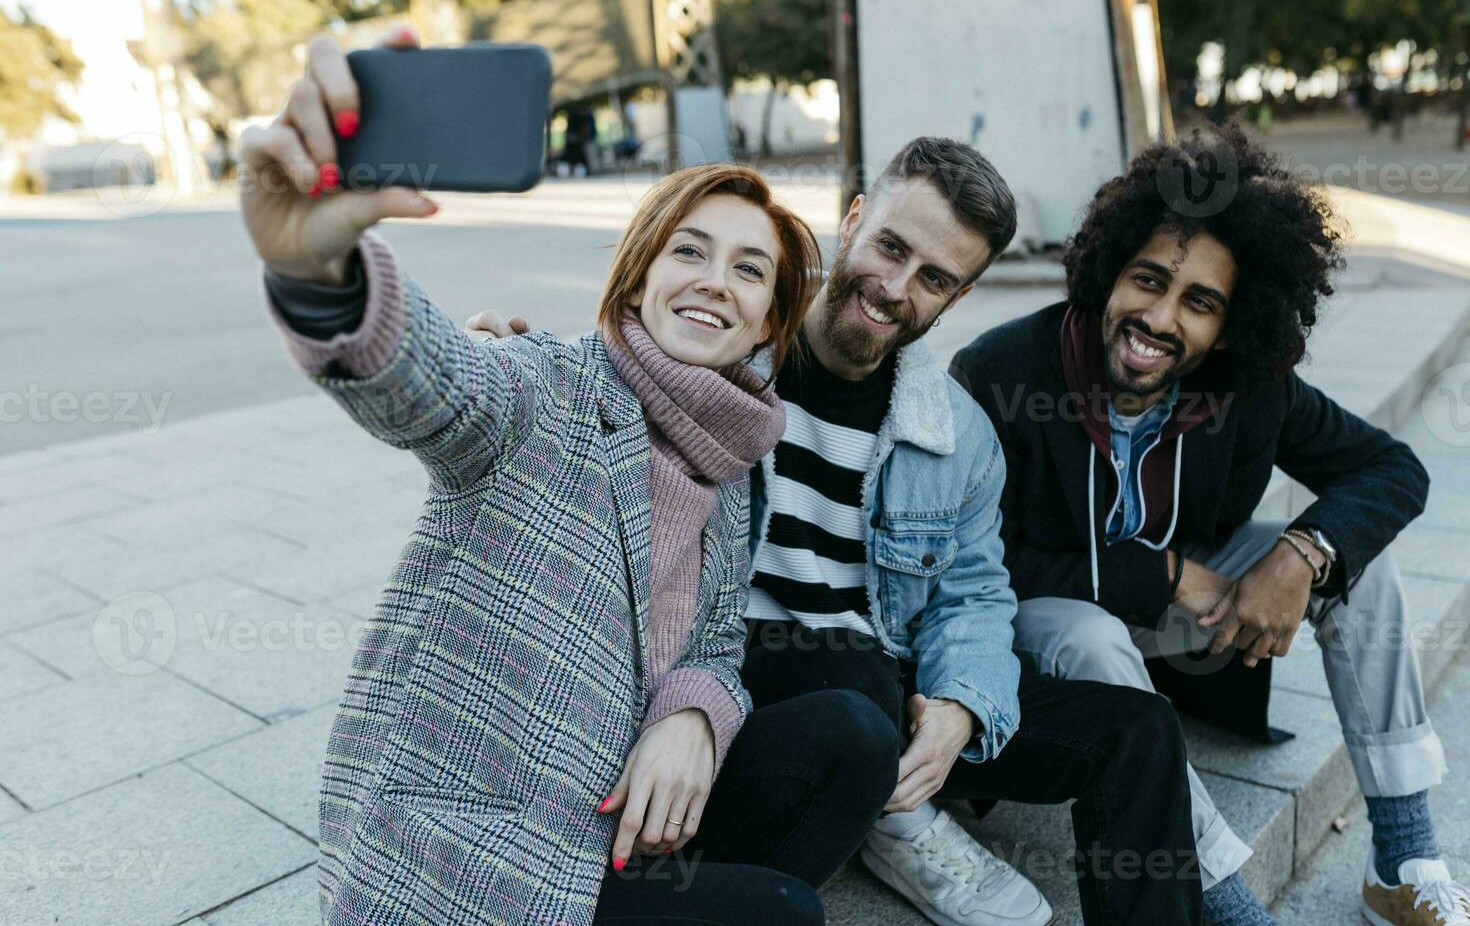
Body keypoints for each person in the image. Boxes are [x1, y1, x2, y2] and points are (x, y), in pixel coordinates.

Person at [239, 27, 900, 926]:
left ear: (764, 330)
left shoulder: (733, 459)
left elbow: (713, 646)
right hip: (475, 848)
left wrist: (694, 717)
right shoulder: (544, 383)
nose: (716, 281)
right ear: (636, 283)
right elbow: (434, 384)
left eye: (750, 271)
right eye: (689, 252)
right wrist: (318, 271)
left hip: (611, 815)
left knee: (855, 736)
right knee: (782, 914)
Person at [471, 137, 1206, 926]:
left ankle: (906, 804)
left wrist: (961, 704)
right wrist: (507, 363)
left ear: (955, 299)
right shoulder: (727, 345)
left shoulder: (955, 434)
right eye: (891, 246)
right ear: (852, 219)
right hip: (740, 687)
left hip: (883, 701)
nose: (894, 289)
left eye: (933, 279)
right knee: (854, 671)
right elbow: (610, 365)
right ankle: (894, 824)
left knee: (1140, 729)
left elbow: (974, 594)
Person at [951, 123, 1470, 926]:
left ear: (1229, 327)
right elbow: (977, 564)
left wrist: (1301, 553)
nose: (1158, 318)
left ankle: (1402, 858)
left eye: (1198, 303)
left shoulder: (1247, 385)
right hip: (1047, 638)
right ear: (1107, 270)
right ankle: (1223, 898)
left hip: (1182, 628)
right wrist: (1159, 574)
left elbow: (1392, 470)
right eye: (1147, 280)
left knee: (1356, 562)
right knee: (1090, 633)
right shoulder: (1001, 371)